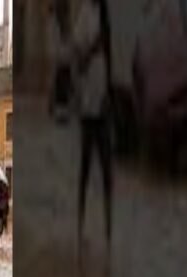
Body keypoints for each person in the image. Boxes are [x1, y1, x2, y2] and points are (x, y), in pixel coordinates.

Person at [73, 0, 113, 258]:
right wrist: (94, 45)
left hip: (105, 105)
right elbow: (79, 56)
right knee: (86, 168)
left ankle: (109, 231)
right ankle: (80, 224)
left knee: (107, 170)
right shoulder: (85, 15)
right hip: (89, 108)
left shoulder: (106, 17)